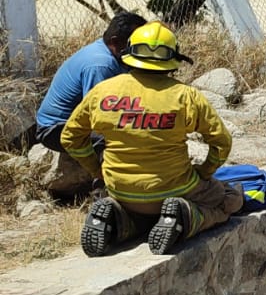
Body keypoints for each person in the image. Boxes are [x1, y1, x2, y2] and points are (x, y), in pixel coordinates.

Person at [61, 21, 243, 256]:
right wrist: (204, 172)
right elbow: (221, 142)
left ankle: (116, 219)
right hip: (176, 187)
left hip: (121, 190)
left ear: (129, 55)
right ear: (173, 61)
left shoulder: (102, 92)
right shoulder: (186, 96)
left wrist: (98, 170)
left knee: (141, 215)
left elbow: (70, 137)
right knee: (229, 200)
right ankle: (184, 216)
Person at [30, 11, 147, 153]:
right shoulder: (101, 65)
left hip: (73, 123)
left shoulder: (110, 53)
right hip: (56, 130)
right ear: (116, 42)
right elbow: (100, 116)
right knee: (123, 141)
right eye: (136, 44)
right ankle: (105, 174)